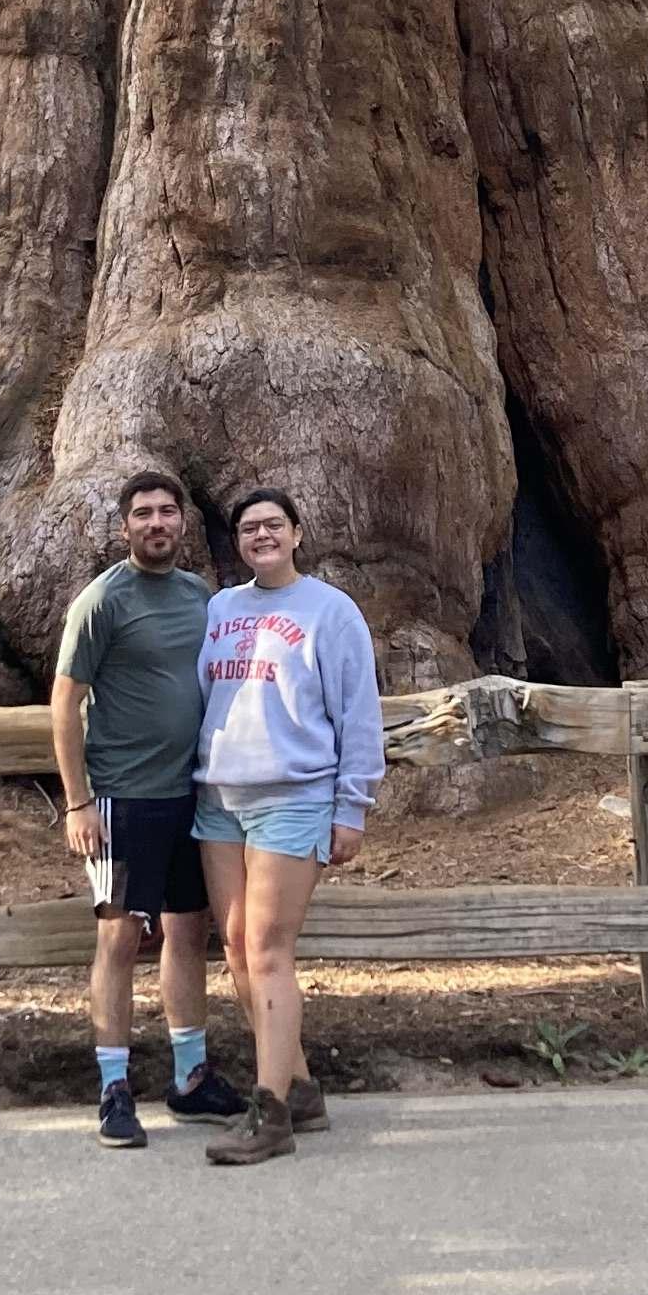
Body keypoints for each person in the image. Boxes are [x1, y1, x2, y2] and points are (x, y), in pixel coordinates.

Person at [190, 487, 385, 1168]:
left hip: (293, 795)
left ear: (297, 533)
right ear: (238, 542)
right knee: (239, 949)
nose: (261, 535)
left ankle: (269, 1114)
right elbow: (200, 695)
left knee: (269, 951)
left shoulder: (331, 612)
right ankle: (299, 1086)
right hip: (218, 796)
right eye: (249, 528)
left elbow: (358, 713)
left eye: (273, 524)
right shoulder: (220, 609)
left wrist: (350, 806)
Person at [52, 470, 246, 1149]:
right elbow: (65, 703)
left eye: (167, 512)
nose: (157, 523)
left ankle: (190, 1080)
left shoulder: (200, 597)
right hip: (121, 796)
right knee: (119, 937)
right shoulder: (102, 601)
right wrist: (77, 801)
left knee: (188, 933)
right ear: (125, 526)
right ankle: (113, 1087)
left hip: (190, 794)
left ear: (182, 523)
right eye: (143, 514)